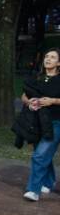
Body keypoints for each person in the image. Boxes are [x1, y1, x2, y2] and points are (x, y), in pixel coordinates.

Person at [21, 48, 60, 201]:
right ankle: (49, 182)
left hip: (56, 123)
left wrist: (53, 101)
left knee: (39, 155)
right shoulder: (37, 77)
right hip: (38, 123)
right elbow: (25, 94)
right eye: (46, 56)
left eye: (52, 57)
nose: (48, 59)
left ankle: (33, 190)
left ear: (58, 63)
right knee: (44, 154)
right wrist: (28, 102)